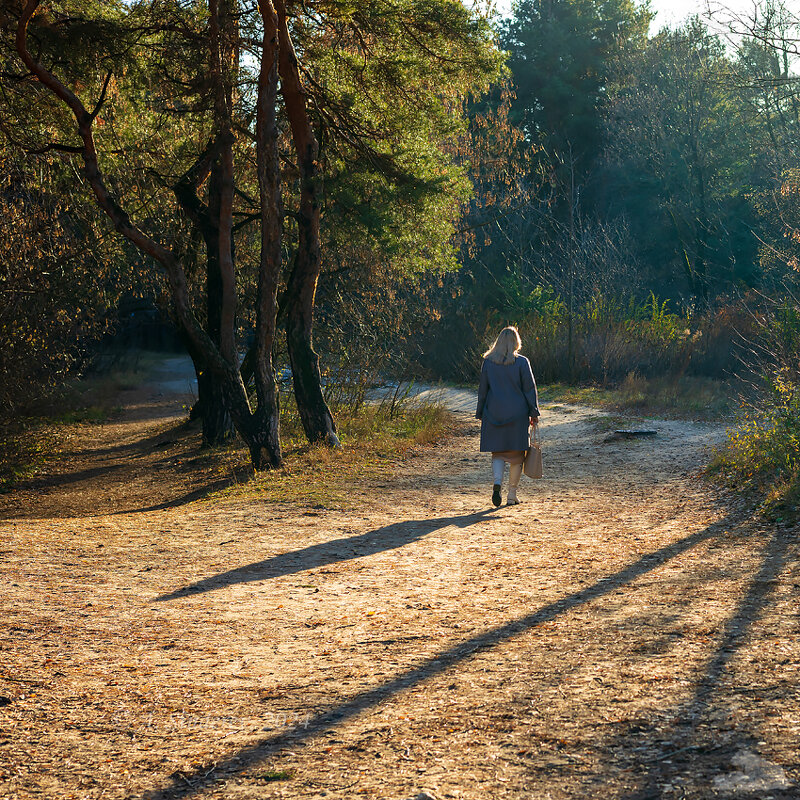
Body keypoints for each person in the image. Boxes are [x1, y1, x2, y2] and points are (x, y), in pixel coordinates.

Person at [476, 326, 540, 506]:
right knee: (516, 455)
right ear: (516, 342)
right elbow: (529, 388)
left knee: (498, 452)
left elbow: (483, 390)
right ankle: (512, 494)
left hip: (494, 412)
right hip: (517, 414)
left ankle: (497, 483)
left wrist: (480, 412)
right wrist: (533, 412)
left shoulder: (488, 362)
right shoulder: (522, 362)